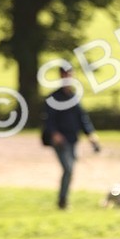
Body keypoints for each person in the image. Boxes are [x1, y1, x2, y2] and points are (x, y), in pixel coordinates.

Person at [41, 66, 100, 209]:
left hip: (72, 139)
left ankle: (64, 199)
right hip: (61, 141)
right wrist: (55, 133)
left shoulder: (73, 98)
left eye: (70, 75)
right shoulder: (53, 98)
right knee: (68, 169)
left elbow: (82, 118)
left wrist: (90, 135)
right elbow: (48, 120)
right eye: (65, 75)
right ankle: (62, 200)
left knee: (70, 170)